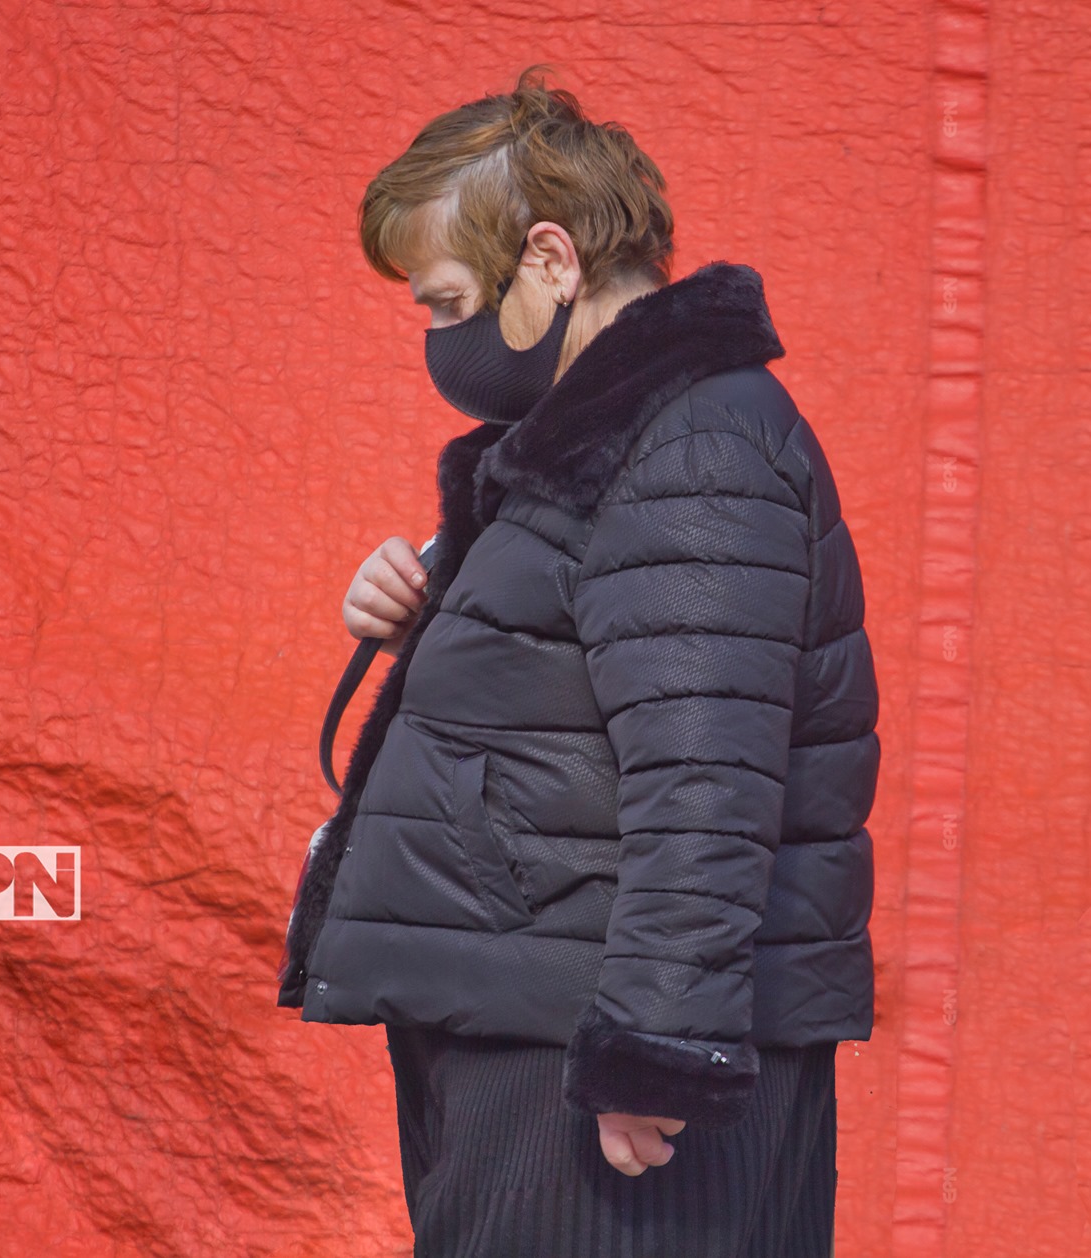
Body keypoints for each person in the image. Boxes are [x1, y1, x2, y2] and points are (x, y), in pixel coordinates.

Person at [276, 65, 880, 1257]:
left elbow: (706, 778)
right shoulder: (606, 442)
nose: (440, 340)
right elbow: (589, 699)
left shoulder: (694, 444)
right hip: (541, 1024)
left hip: (598, 1064)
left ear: (548, 260)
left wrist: (652, 1053)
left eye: (446, 303)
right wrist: (428, 624)